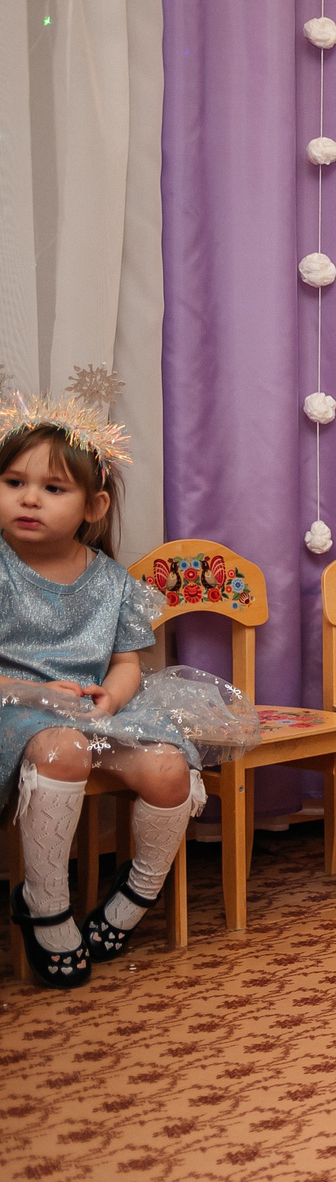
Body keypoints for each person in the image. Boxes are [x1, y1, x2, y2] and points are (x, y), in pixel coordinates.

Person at [0, 396, 208, 988]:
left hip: (92, 708)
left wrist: (110, 700)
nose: (30, 498)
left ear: (94, 506)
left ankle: (137, 893)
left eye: (53, 488)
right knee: (61, 748)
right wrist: (35, 693)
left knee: (168, 769)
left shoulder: (112, 580)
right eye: (14, 481)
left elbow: (127, 663)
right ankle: (45, 902)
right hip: (13, 707)